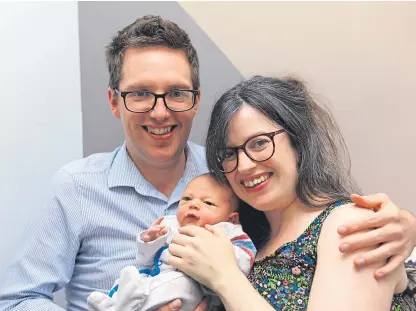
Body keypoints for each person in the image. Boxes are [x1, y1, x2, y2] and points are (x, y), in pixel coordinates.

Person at [0, 15, 415, 311]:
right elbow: (19, 298)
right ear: (114, 101)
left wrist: (406, 231)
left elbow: (322, 237)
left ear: (195, 101)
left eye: (176, 93)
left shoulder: (231, 180)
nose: (160, 112)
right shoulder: (76, 187)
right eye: (141, 93)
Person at [166, 75, 416, 310]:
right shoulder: (246, 241)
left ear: (298, 140)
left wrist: (225, 277)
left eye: (260, 143)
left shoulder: (351, 226)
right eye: (230, 154)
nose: (244, 166)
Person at [87, 173, 256, 311]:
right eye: (187, 199)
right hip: (154, 278)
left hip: (193, 286)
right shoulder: (169, 225)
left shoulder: (227, 231)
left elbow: (245, 259)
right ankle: (114, 304)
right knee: (131, 277)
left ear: (232, 218)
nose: (194, 205)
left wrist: (223, 256)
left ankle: (129, 303)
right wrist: (151, 241)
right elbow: (144, 260)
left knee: (178, 284)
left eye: (208, 203)